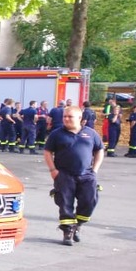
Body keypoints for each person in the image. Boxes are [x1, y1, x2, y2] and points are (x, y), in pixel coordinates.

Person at [43, 105, 104, 246]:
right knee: (65, 203)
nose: (66, 119)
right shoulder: (56, 134)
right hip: (64, 174)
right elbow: (47, 152)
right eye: (64, 116)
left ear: (80, 118)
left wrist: (95, 170)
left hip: (87, 175)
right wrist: (53, 170)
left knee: (90, 201)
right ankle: (68, 231)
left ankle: (78, 224)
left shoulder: (91, 133)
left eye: (70, 116)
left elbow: (99, 150)